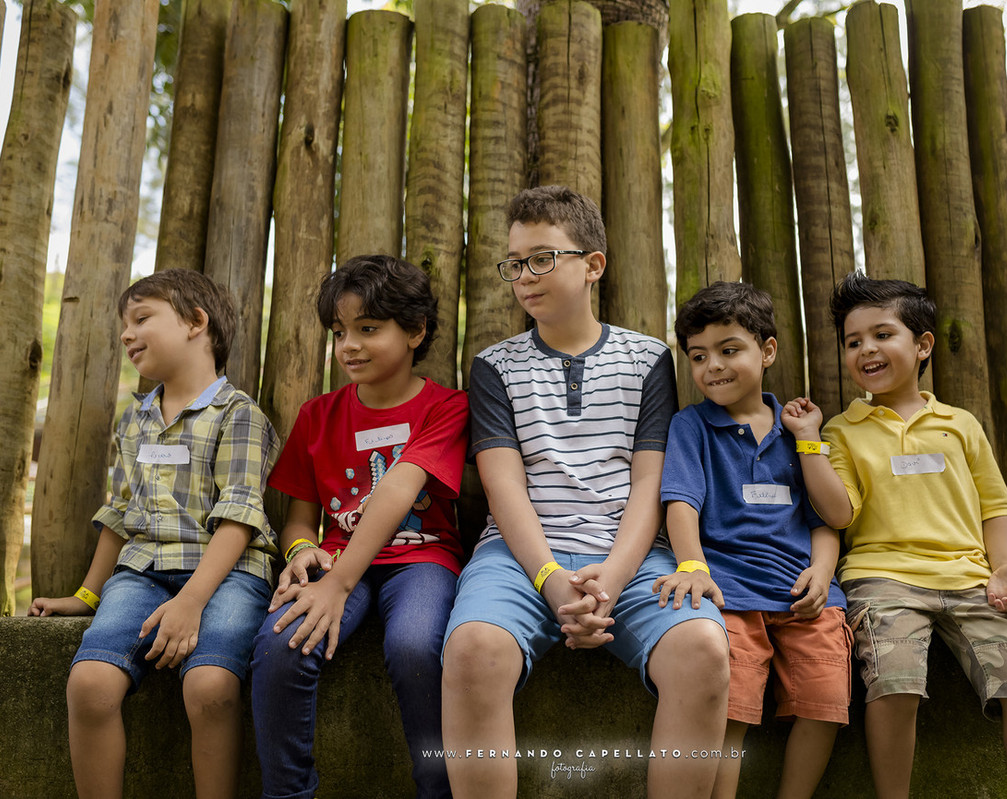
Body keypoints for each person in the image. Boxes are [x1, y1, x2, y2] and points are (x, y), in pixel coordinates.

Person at [441, 185, 730, 798]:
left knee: (703, 649)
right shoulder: (495, 365)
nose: (525, 276)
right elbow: (503, 487)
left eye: (542, 258)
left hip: (627, 554)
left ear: (592, 265)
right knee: (472, 651)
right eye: (515, 263)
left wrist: (614, 580)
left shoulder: (648, 358)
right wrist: (548, 577)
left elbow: (650, 479)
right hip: (519, 558)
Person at [784, 271, 1007, 799]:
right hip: (881, 580)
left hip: (971, 580)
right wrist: (810, 441)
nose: (867, 349)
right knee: (894, 683)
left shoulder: (961, 423)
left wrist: (1003, 566)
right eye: (853, 341)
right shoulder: (842, 429)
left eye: (883, 335)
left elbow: (997, 507)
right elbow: (838, 513)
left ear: (923, 343)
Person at [29, 269, 280, 799]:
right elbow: (121, 513)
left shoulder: (239, 416)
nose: (126, 334)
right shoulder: (134, 420)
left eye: (142, 318)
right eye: (124, 324)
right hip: (140, 574)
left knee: (209, 686)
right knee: (90, 685)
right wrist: (85, 596)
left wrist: (191, 602)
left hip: (228, 574)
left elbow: (239, 516)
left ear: (196, 322)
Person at [249, 255, 469, 799]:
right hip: (334, 562)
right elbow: (301, 516)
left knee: (417, 647)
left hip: (421, 560)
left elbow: (398, 490)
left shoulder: (448, 407)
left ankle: (438, 789)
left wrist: (337, 584)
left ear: (416, 331)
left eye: (368, 329)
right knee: (279, 646)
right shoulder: (317, 415)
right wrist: (301, 550)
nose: (349, 345)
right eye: (340, 332)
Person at [653, 281, 852, 799]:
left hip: (806, 597)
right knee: (731, 711)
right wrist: (693, 566)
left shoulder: (797, 430)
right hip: (730, 596)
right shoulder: (690, 426)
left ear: (767, 350)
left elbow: (827, 519)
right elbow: (681, 504)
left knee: (824, 704)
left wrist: (824, 573)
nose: (712, 366)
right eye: (698, 356)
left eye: (728, 349)